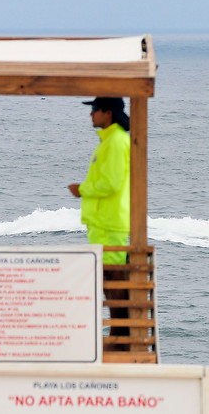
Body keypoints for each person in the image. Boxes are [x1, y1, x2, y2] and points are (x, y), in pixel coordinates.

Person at [68, 97, 131, 341]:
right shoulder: (110, 141)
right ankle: (120, 335)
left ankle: (121, 337)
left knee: (114, 282)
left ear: (108, 113)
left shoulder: (115, 142)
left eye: (94, 110)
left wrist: (82, 189)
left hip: (109, 223)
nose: (90, 114)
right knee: (110, 282)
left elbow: (111, 183)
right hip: (103, 223)